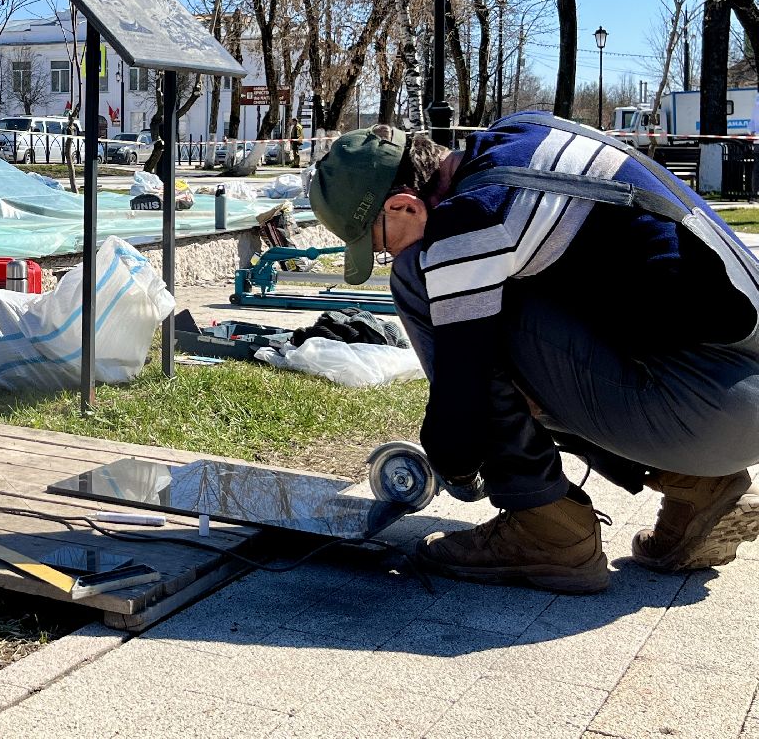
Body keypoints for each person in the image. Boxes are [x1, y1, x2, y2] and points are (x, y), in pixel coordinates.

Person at [309, 113, 759, 592]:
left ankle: (549, 532)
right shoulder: (523, 133)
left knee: (418, 278)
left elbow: (466, 391)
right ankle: (697, 485)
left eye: (380, 245)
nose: (385, 256)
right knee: (489, 310)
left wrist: (455, 462)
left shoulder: (469, 221)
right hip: (732, 382)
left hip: (707, 407)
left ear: (404, 206)